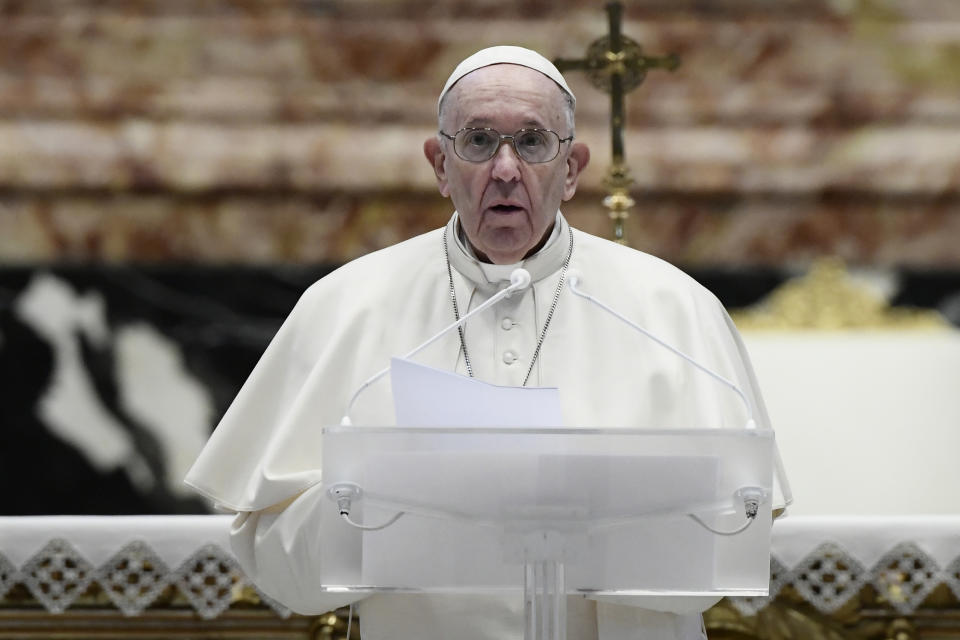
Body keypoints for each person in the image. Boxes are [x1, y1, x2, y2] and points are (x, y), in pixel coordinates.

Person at [186, 46, 790, 640]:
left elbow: (737, 541)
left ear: (573, 167)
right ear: (440, 166)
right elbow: (272, 561)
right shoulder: (345, 306)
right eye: (477, 140)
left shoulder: (673, 308)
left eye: (532, 142)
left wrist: (583, 522)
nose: (506, 170)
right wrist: (385, 505)